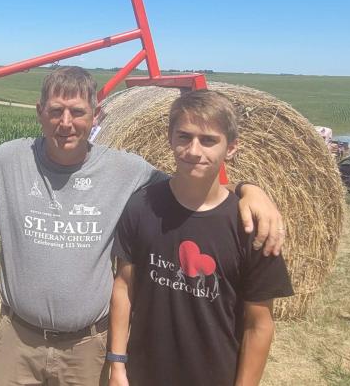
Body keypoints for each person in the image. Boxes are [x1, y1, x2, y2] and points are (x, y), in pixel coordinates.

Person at [0, 67, 286, 386]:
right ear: (39, 112)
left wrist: (250, 189)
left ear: (94, 116)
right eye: (56, 110)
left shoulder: (127, 171)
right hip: (19, 342)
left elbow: (191, 183)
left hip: (88, 348)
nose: (66, 122)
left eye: (77, 111)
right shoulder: (8, 160)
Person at [108, 90, 293, 386]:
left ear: (231, 149)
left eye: (209, 140)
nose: (194, 150)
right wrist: (117, 364)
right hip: (142, 374)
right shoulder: (141, 206)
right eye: (184, 136)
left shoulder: (250, 228)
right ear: (170, 139)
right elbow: (124, 287)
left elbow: (258, 324)